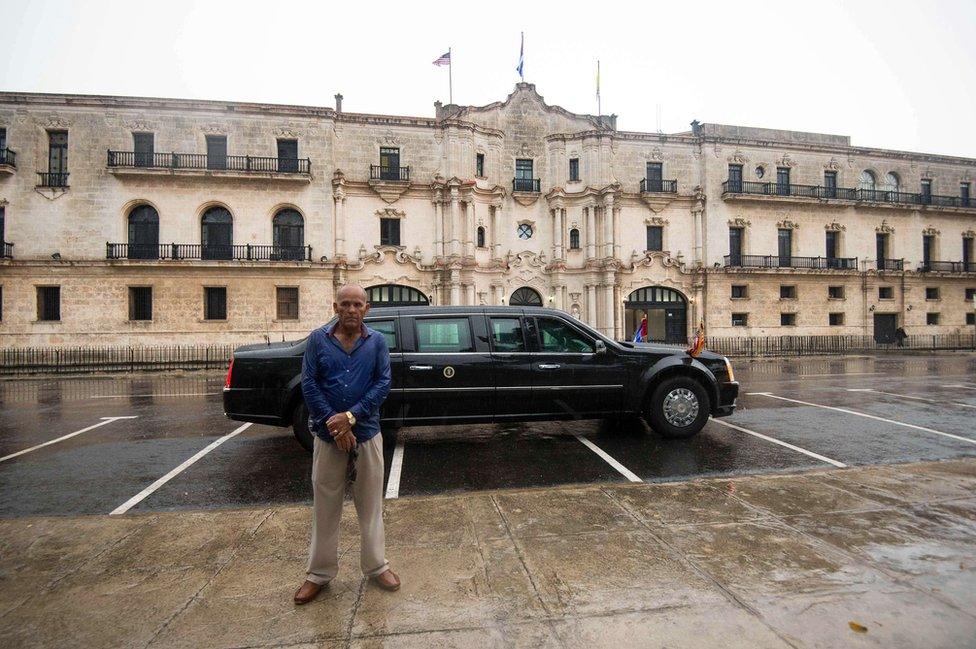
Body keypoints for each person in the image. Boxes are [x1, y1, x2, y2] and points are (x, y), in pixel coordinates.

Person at [293, 284, 399, 605]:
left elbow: (383, 384)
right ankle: (319, 574)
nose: (351, 309)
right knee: (326, 506)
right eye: (345, 304)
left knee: (370, 504)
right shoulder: (317, 341)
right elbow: (309, 384)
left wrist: (350, 417)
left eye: (357, 304)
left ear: (366, 309)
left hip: (366, 432)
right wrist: (335, 424)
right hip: (328, 436)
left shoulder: (377, 343)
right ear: (335, 306)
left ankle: (377, 566)